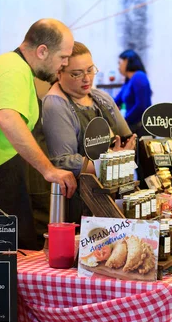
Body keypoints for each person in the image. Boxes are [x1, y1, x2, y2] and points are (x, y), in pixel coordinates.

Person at [0, 19, 77, 250]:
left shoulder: (14, 67)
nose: (64, 64)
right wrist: (49, 170)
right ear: (42, 51)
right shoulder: (12, 69)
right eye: (63, 57)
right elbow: (8, 119)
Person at [42, 41, 136, 222]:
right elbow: (63, 161)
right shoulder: (55, 104)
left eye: (90, 70)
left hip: (108, 191)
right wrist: (111, 161)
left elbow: (127, 139)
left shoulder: (100, 98)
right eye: (76, 74)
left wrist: (119, 156)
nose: (86, 79)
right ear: (58, 73)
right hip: (75, 199)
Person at [114, 49, 152, 136]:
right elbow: (115, 102)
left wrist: (125, 121)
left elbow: (141, 106)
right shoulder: (128, 81)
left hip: (141, 129)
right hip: (133, 126)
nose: (118, 67)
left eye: (119, 63)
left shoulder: (139, 76)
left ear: (126, 61)